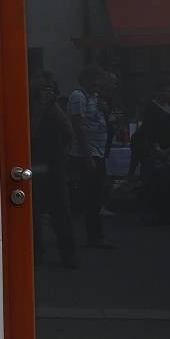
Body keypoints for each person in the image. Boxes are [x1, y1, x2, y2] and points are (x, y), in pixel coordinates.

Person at [29, 69, 77, 268]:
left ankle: (68, 255)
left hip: (55, 165)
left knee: (62, 213)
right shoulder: (30, 109)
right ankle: (36, 254)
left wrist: (53, 104)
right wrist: (40, 107)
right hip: (35, 164)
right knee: (34, 214)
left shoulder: (56, 109)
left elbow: (69, 131)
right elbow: (29, 134)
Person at [133, 77, 170, 225]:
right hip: (160, 148)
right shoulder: (152, 108)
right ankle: (163, 213)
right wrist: (156, 148)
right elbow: (148, 130)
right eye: (164, 90)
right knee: (163, 182)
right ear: (157, 91)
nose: (167, 93)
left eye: (169, 90)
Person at [67, 65, 113, 248]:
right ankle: (94, 237)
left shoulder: (94, 96)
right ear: (84, 80)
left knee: (96, 194)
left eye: (98, 80)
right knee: (92, 196)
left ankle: (95, 234)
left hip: (98, 150)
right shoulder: (79, 96)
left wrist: (106, 110)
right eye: (93, 80)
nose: (96, 84)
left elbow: (98, 120)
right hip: (87, 152)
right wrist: (88, 156)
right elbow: (78, 126)